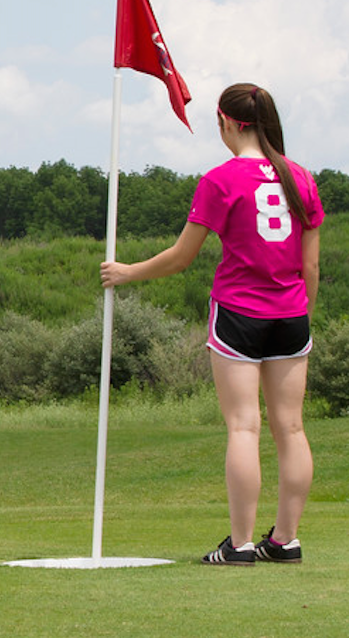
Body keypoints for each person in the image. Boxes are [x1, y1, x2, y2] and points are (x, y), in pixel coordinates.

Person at [101, 83, 324, 565]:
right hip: (292, 314)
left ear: (230, 123)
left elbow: (182, 257)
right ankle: (285, 540)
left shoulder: (221, 180)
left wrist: (126, 272)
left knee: (244, 427)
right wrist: (303, 313)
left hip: (239, 313)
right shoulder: (301, 179)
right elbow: (310, 268)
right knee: (291, 428)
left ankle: (241, 544)